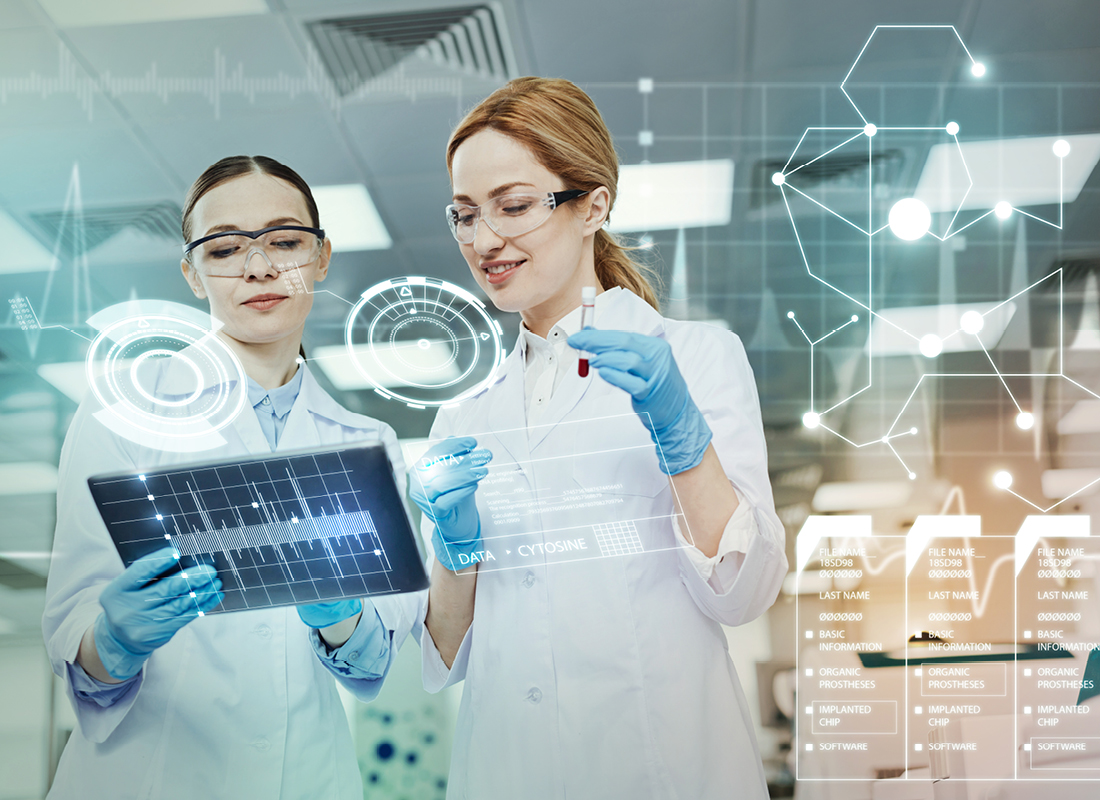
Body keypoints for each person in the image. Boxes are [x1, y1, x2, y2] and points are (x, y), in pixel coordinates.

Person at [410, 77, 789, 798]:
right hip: (509, 768)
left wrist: (684, 439)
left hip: (661, 765)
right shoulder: (464, 419)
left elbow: (747, 593)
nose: (485, 240)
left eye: (514, 206)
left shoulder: (697, 357)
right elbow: (446, 653)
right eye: (464, 215)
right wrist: (453, 550)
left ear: (593, 206)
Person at [42, 155, 423, 799]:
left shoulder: (367, 444)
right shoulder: (123, 411)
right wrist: (115, 638)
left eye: (285, 241)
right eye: (224, 249)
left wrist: (343, 619)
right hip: (149, 775)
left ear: (322, 256)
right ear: (193, 274)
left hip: (306, 774)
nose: (259, 267)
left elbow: (375, 663)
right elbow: (79, 653)